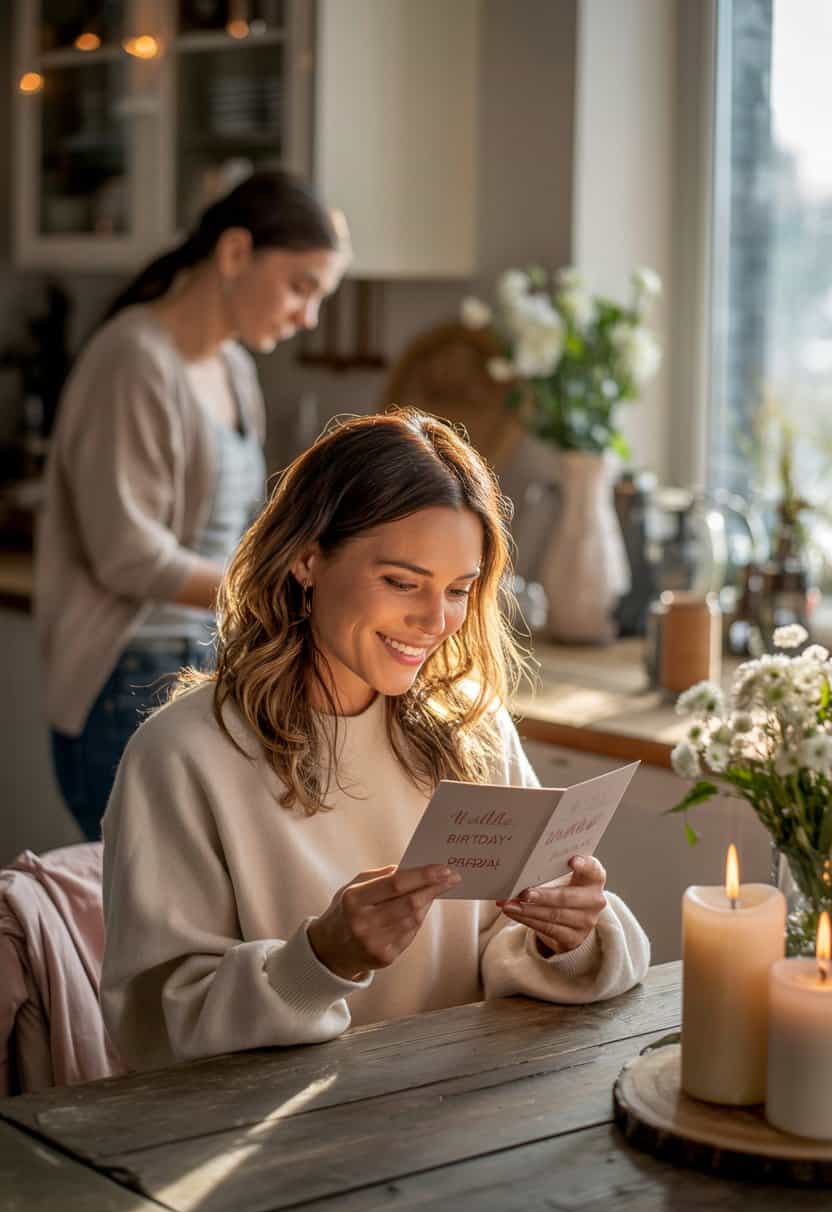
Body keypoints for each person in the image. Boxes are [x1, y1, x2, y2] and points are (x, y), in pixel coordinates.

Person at [101, 409, 650, 1071]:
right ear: (308, 558)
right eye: (401, 582)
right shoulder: (183, 757)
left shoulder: (470, 729)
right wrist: (320, 962)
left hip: (455, 1122)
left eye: (459, 589)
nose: (435, 620)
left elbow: (504, 943)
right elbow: (156, 1026)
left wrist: (570, 936)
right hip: (271, 1147)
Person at [35, 170, 348, 843]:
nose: (308, 316)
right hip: (127, 678)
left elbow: (240, 531)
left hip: (202, 663)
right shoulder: (133, 359)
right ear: (236, 254)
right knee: (144, 920)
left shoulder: (233, 368)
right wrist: (275, 590)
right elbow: (127, 556)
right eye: (301, 287)